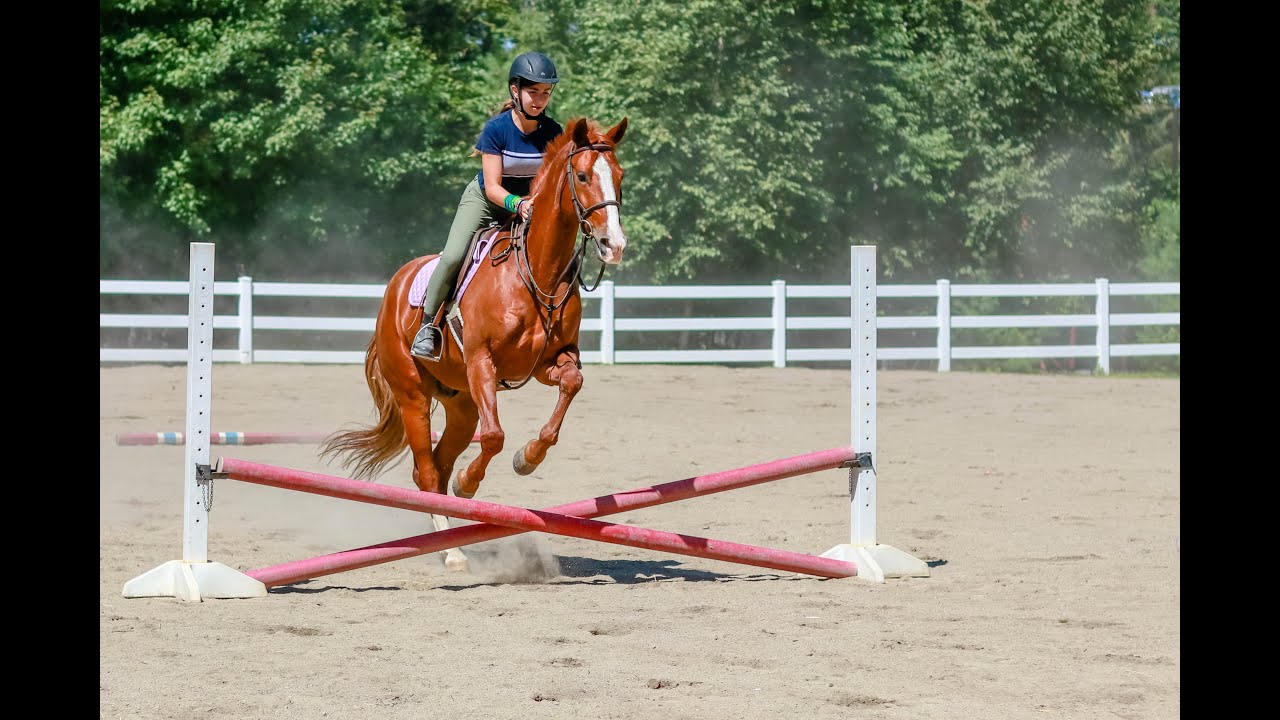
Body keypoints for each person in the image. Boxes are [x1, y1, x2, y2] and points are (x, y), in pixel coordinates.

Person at [411, 51, 565, 360]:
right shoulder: (496, 130)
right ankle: (428, 325)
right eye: (533, 92)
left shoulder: (554, 133)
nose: (539, 99)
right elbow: (494, 187)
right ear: (515, 91)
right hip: (487, 202)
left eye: (545, 93)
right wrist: (518, 204)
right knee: (454, 254)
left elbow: (551, 182)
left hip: (529, 206)